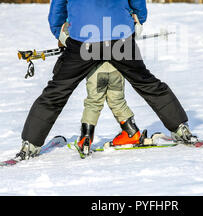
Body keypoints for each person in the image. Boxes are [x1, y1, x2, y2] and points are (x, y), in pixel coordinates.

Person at [14, 0, 197, 161]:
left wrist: (60, 34)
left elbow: (56, 10)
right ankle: (180, 128)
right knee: (146, 83)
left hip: (82, 42)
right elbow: (139, 1)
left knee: (56, 92)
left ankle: (30, 144)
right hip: (120, 39)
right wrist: (138, 21)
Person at [60, 23, 143, 155]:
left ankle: (86, 137)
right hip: (117, 67)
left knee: (94, 102)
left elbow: (65, 36)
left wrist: (66, 43)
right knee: (117, 100)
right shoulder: (117, 13)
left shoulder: (82, 16)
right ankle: (131, 131)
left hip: (96, 69)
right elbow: (135, 29)